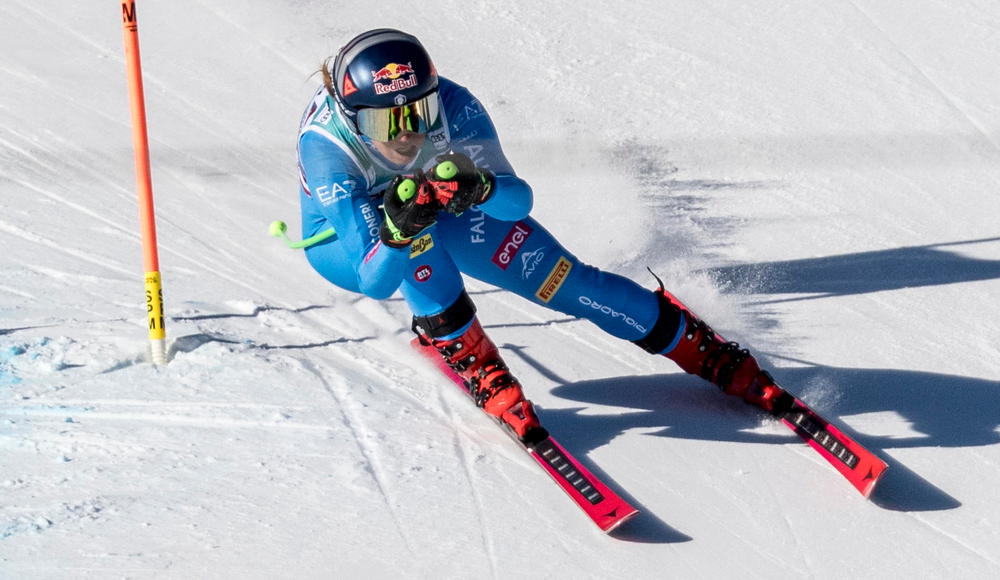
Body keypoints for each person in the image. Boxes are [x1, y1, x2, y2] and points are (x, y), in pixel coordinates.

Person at [296, 29, 786, 443]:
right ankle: (467, 352)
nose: (406, 136)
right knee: (419, 244)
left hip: (439, 205)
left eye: (417, 115)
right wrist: (398, 234)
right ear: (351, 117)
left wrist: (482, 186)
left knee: (567, 282)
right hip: (346, 244)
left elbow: (518, 201)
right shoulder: (326, 150)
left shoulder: (455, 105)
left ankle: (698, 347)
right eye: (384, 122)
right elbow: (376, 280)